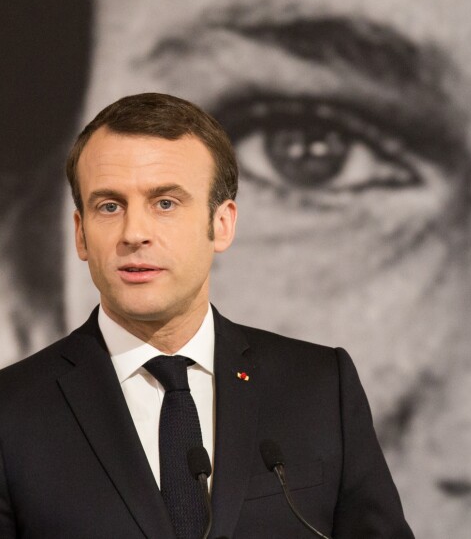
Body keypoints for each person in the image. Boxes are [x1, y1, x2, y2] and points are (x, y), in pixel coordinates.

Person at [0, 93, 414, 538]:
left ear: (222, 224)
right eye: (109, 206)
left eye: (165, 203)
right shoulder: (13, 413)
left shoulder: (319, 387)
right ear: (80, 235)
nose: (134, 233)